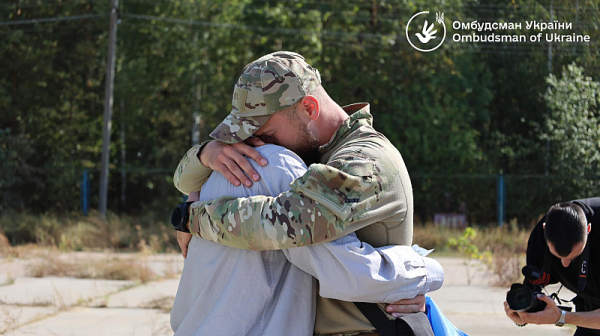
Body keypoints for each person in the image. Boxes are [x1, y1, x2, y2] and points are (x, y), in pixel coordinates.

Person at [174, 51, 434, 335]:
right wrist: (206, 155)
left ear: (309, 108)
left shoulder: (364, 161)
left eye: (268, 135)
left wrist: (191, 218)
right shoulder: (315, 154)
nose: (258, 144)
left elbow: (285, 223)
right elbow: (183, 181)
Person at [171, 143, 444, 335]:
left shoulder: (210, 174)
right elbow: (350, 273)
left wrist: (189, 209)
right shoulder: (277, 165)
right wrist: (424, 271)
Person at [504, 198, 600, 335]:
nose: (565, 264)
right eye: (558, 256)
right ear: (544, 230)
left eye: (573, 258)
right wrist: (522, 314)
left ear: (589, 229)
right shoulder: (540, 239)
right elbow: (532, 290)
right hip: (587, 307)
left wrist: (561, 317)